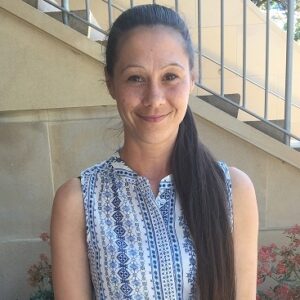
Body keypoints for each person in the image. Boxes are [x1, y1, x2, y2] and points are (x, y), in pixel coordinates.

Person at [50, 4, 258, 300]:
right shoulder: (78, 201)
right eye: (136, 78)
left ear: (192, 79)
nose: (154, 99)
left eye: (170, 76)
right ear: (111, 83)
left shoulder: (233, 191)